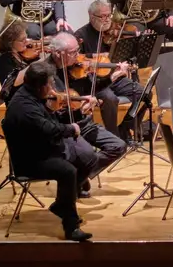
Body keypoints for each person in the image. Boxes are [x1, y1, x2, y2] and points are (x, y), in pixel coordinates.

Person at [2, 60, 93, 241]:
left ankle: (62, 204)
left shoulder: (31, 96)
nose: (52, 87)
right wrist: (72, 128)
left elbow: (51, 124)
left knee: (87, 157)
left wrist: (75, 115)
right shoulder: (25, 107)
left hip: (42, 147)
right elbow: (50, 130)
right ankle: (71, 227)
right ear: (40, 85)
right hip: (30, 159)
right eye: (50, 83)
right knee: (68, 170)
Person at [39, 32, 127, 187]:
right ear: (58, 53)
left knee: (118, 146)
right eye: (73, 52)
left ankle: (79, 176)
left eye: (77, 50)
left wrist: (113, 77)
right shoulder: (46, 74)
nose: (78, 56)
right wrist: (81, 108)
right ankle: (77, 177)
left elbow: (92, 88)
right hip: (66, 128)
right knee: (87, 154)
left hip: (85, 123)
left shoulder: (77, 67)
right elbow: (56, 111)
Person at [70, 0, 147, 138]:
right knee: (110, 98)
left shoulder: (113, 33)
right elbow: (76, 59)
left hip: (115, 77)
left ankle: (125, 126)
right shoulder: (81, 35)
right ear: (91, 16)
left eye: (108, 15)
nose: (107, 20)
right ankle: (114, 137)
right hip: (94, 81)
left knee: (145, 93)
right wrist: (95, 57)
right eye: (102, 16)